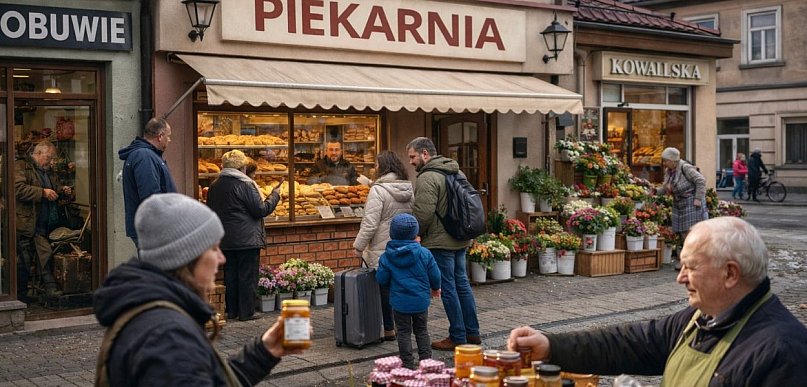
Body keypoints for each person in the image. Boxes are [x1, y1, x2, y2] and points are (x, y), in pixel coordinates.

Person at [507, 217, 807, 386]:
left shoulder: (782, 351)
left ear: (730, 274)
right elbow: (631, 342)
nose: (680, 278)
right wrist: (551, 346)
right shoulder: (699, 319)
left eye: (690, 267)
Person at [93, 193, 306, 385]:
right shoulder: (168, 337)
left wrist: (265, 351)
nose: (222, 259)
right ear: (187, 257)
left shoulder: (153, 315)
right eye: (213, 249)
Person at [406, 136, 481, 351]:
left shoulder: (428, 177)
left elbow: (423, 213)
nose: (411, 162)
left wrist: (415, 233)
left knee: (448, 288)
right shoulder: (456, 171)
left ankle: (457, 336)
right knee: (462, 284)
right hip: (460, 237)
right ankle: (472, 332)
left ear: (425, 154)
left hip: (441, 241)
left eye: (413, 156)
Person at [206, 150, 281, 321]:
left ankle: (232, 311)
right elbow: (261, 210)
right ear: (242, 168)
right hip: (246, 238)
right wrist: (275, 196)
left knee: (230, 275)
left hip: (225, 238)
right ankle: (247, 313)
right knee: (247, 276)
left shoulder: (214, 185)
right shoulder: (245, 184)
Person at [353, 151, 414, 341]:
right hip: (403, 244)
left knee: (385, 288)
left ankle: (388, 329)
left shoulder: (378, 190)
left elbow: (370, 223)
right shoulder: (407, 187)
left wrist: (359, 246)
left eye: (377, 165)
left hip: (382, 248)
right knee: (402, 285)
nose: (374, 168)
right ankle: (404, 326)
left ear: (384, 167)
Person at [376, 214, 442, 370]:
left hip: (399, 303)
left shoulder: (386, 257)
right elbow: (435, 275)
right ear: (415, 234)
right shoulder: (424, 253)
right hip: (420, 301)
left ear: (392, 233)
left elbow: (382, 279)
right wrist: (435, 288)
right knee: (422, 330)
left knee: (404, 332)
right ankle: (426, 361)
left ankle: (407, 363)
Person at [15, 141, 72, 300]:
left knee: (43, 254)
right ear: (39, 153)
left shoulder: (48, 171)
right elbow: (17, 189)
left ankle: (43, 291)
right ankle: (23, 295)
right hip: (25, 223)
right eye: (49, 157)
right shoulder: (21, 166)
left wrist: (62, 190)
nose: (52, 161)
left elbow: (54, 189)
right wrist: (42, 192)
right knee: (24, 262)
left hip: (42, 224)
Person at [118, 117, 177, 247]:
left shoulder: (148, 155)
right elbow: (150, 196)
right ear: (160, 136)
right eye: (168, 136)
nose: (170, 140)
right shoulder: (145, 156)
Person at [655, 147, 707, 270]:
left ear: (673, 160)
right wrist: (654, 191)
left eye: (666, 160)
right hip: (679, 202)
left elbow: (701, 180)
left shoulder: (685, 167)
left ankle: (690, 262)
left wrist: (698, 199)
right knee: (681, 233)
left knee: (688, 233)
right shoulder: (669, 171)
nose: (664, 163)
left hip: (691, 202)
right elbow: (666, 188)